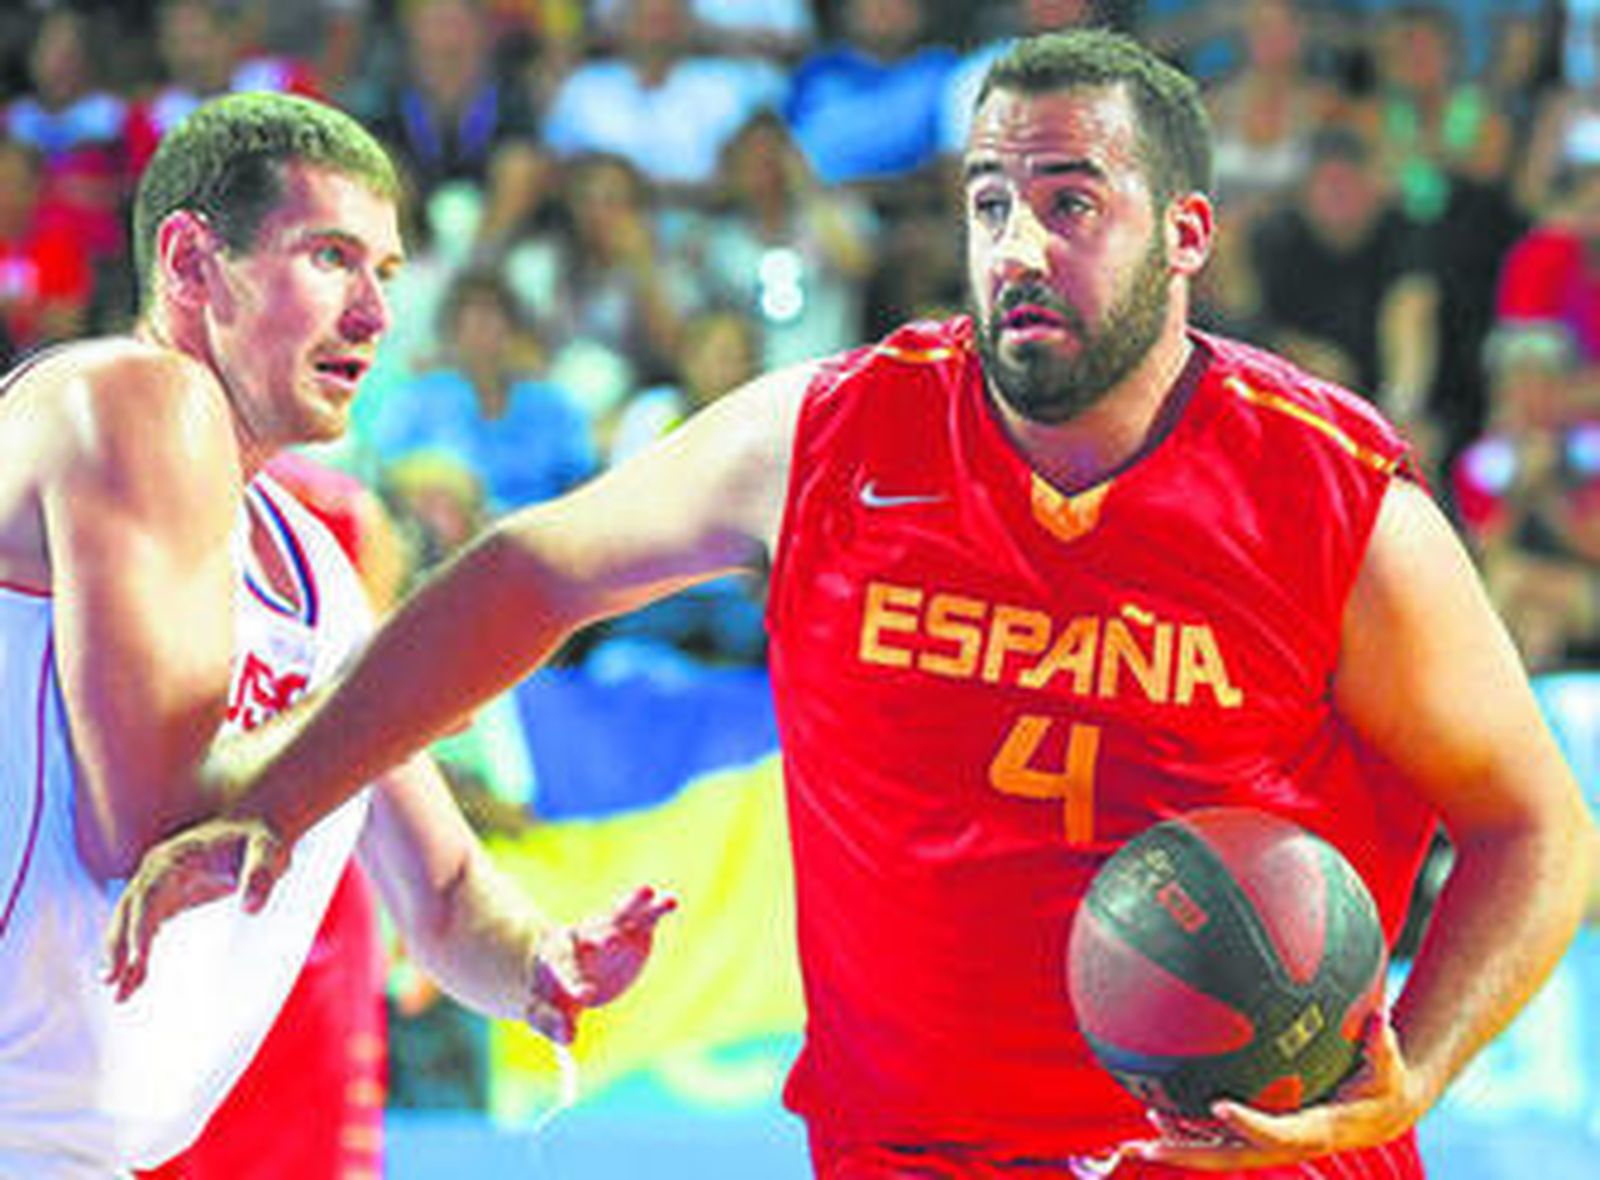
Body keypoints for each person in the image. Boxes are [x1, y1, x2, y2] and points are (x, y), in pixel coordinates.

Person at [109, 32, 1592, 1177]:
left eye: (1072, 203)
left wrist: (1423, 1062)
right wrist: (289, 786)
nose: (1018, 245)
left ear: (1187, 234)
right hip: (910, 1152)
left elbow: (1539, 829)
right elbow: (526, 575)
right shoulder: (832, 436)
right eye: (992, 200)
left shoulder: (1332, 499)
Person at [0, 90, 672, 1177]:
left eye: (389, 274)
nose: (373, 314)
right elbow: (149, 826)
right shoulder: (132, 399)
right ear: (187, 262)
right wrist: (436, 666)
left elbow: (445, 897)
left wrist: (545, 965)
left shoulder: (312, 562)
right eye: (329, 258)